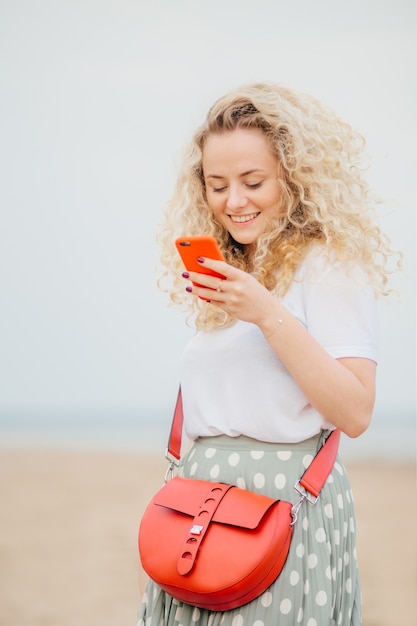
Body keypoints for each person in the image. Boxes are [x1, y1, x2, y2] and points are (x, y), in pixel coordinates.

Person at [137, 82, 399, 626]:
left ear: (293, 176)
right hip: (200, 506)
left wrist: (265, 313)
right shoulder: (234, 274)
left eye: (253, 182)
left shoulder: (327, 265)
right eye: (217, 185)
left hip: (280, 509)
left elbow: (355, 411)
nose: (234, 202)